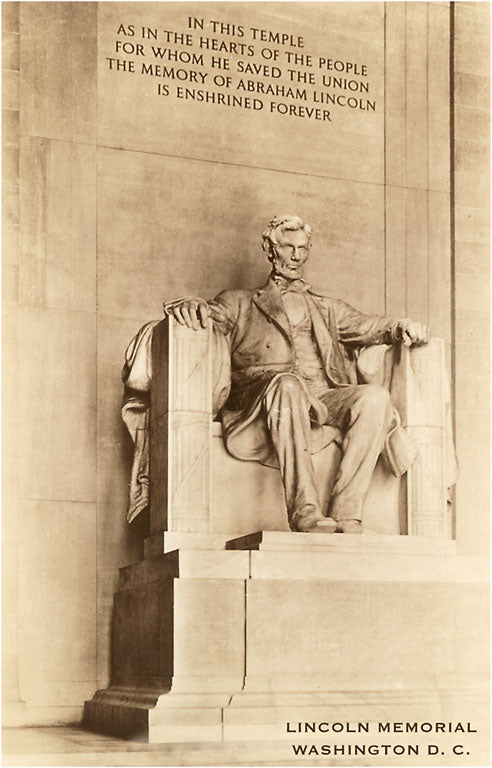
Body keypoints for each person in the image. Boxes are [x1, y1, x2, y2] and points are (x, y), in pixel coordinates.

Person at [164, 215, 429, 534]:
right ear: (270, 249)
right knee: (288, 384)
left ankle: (346, 513)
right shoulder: (240, 301)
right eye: (288, 247)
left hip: (322, 396)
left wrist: (400, 325)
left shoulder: (326, 307)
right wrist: (194, 305)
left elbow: (367, 325)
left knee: (375, 397)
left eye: (303, 249)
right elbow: (211, 314)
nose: (296, 256)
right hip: (266, 396)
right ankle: (305, 510)